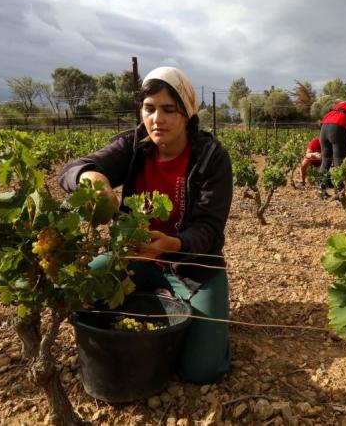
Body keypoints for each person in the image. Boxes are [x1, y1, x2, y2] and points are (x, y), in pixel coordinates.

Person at [59, 66, 233, 384]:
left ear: (187, 114)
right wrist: (90, 177)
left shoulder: (212, 158)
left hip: (193, 266)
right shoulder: (134, 145)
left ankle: (214, 334)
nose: (157, 119)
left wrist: (171, 244)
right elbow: (71, 171)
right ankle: (159, 299)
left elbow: (208, 228)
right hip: (134, 255)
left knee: (201, 371)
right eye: (149, 109)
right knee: (79, 288)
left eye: (169, 110)